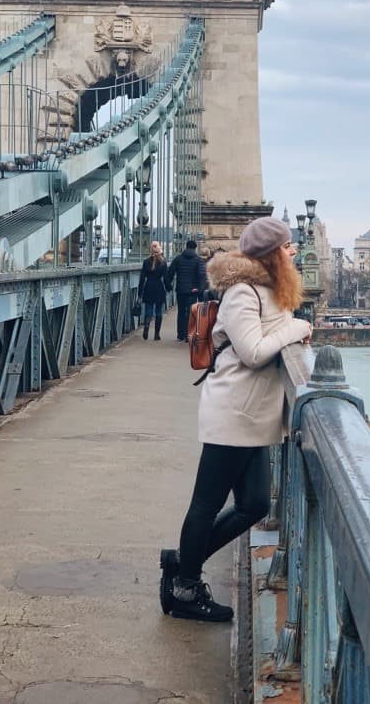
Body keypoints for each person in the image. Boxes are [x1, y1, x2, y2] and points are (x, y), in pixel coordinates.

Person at [159, 217, 311, 622]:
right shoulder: (243, 293)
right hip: (233, 412)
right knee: (206, 505)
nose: (293, 251)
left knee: (256, 503)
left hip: (254, 415)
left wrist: (291, 324)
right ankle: (186, 589)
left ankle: (181, 562)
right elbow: (254, 351)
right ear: (273, 254)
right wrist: (299, 326)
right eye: (288, 246)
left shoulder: (269, 289)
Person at [167, 239, 208, 341]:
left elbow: (170, 273)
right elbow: (202, 275)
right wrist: (199, 289)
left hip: (180, 290)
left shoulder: (178, 259)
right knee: (190, 313)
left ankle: (180, 334)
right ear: (195, 248)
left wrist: (169, 286)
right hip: (192, 291)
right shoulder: (198, 260)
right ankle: (188, 334)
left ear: (186, 246)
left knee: (181, 312)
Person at [138, 241, 170, 341]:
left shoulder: (146, 262)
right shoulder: (163, 263)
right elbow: (165, 278)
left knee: (148, 310)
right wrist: (169, 287)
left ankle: (146, 326)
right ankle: (156, 334)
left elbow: (142, 278)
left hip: (148, 287)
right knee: (158, 311)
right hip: (159, 287)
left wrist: (140, 292)